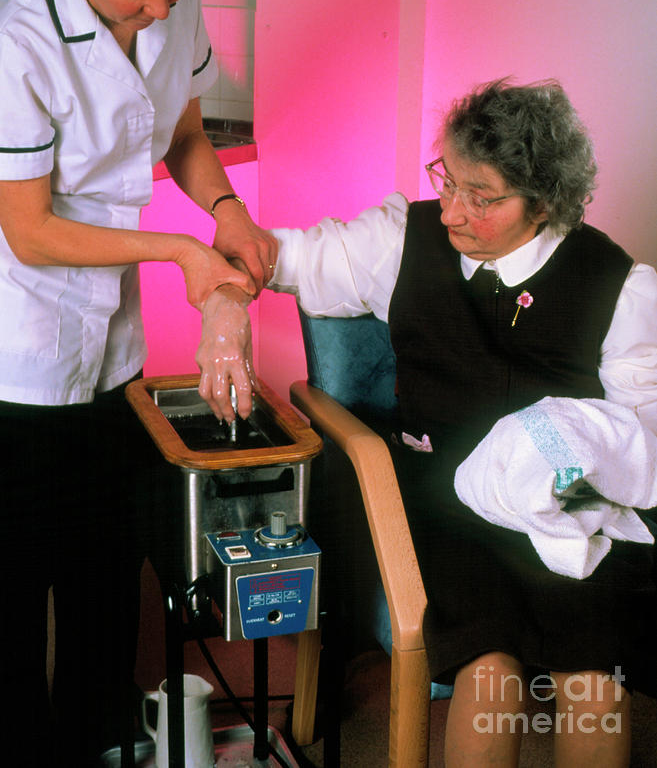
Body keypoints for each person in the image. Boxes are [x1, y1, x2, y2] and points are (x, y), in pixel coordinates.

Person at [197, 79, 657, 767]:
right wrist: (227, 303)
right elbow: (269, 256)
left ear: (544, 202)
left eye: (483, 197)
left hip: (563, 508)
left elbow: (639, 434)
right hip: (442, 499)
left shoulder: (618, 286)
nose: (452, 212)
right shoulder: (396, 241)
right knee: (489, 667)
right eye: (448, 182)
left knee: (590, 675)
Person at [0, 0, 277, 764]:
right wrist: (182, 252)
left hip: (108, 356)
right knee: (11, 601)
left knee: (104, 588)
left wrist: (226, 212)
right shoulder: (15, 42)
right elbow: (32, 232)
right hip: (14, 352)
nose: (160, 8)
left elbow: (185, 129)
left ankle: (94, 748)